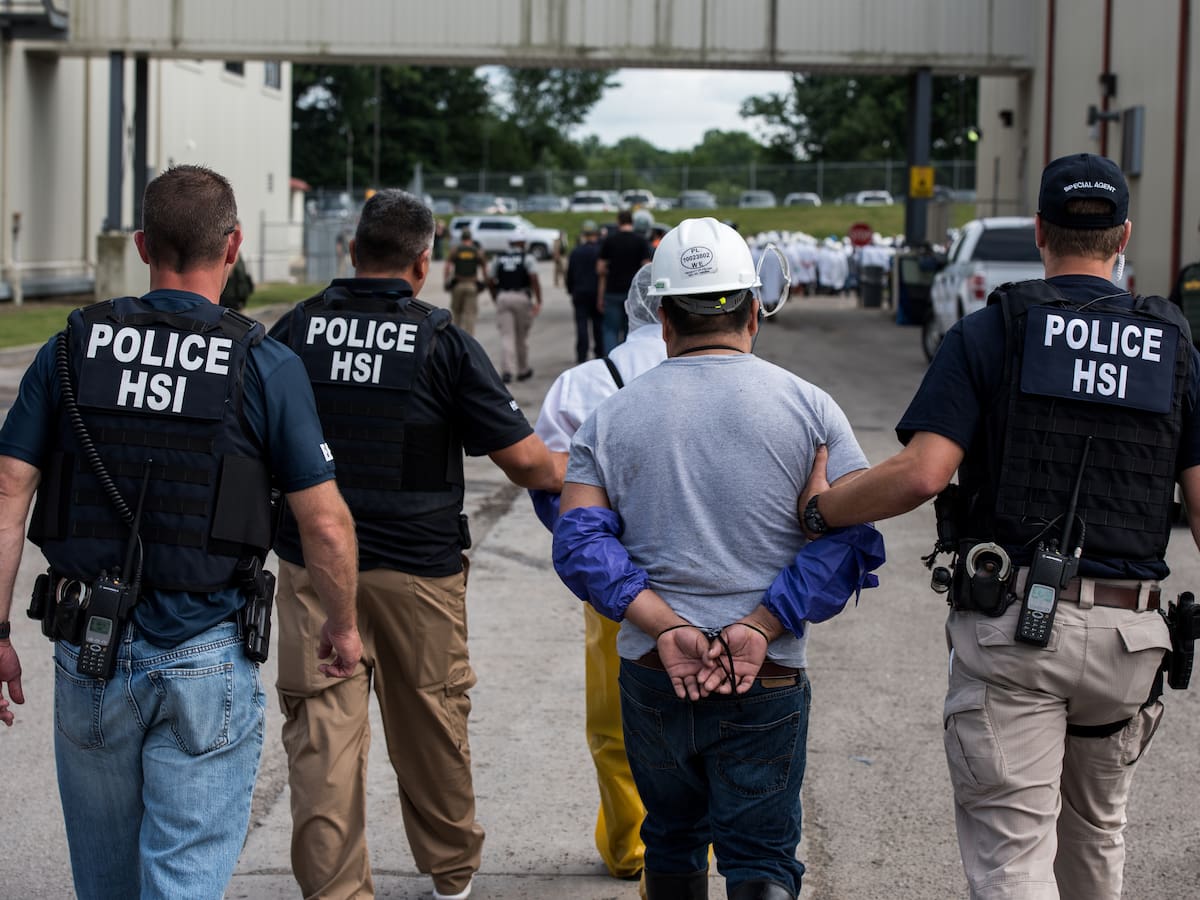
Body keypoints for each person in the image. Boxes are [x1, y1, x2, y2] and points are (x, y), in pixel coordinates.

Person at [802, 153, 1200, 900]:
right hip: (1131, 640)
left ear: (1040, 231)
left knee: (1015, 855)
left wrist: (822, 508)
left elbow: (922, 474)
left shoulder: (993, 332)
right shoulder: (1174, 347)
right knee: (1097, 836)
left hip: (1019, 630)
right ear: (1124, 238)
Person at [0, 164, 361, 900]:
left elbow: (9, 491)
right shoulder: (265, 361)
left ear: (142, 245)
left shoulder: (71, 349)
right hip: (204, 651)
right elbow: (323, 522)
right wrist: (344, 624)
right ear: (232, 248)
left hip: (90, 647)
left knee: (105, 885)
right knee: (183, 881)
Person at [553, 217, 880, 900]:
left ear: (662, 317)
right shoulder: (812, 409)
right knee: (761, 857)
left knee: (669, 840)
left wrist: (665, 625)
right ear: (754, 312)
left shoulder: (609, 419)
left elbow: (579, 542)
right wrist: (762, 622)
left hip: (652, 672)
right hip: (766, 675)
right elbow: (851, 538)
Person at [269, 188, 565, 900]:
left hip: (314, 570)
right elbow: (526, 464)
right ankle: (451, 872)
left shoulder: (293, 332)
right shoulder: (441, 341)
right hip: (418, 569)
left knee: (322, 740)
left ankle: (336, 892)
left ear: (351, 250)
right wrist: (581, 469)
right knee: (431, 723)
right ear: (424, 262)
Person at [531, 263, 665, 881]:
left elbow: (548, 487)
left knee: (616, 726)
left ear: (629, 305)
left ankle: (631, 846)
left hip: (616, 585)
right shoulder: (747, 380)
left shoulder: (584, 383)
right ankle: (702, 843)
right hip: (723, 582)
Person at [488, 228, 542, 383]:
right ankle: (523, 369)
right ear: (522, 243)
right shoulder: (527, 258)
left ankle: (507, 371)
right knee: (521, 337)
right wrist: (538, 300)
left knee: (506, 336)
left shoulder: (498, 258)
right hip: (521, 297)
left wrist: (495, 296)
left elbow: (490, 280)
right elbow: (533, 278)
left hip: (503, 296)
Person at [597, 209, 652, 353]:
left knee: (610, 329)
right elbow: (647, 269)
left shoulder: (609, 241)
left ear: (618, 222)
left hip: (612, 290)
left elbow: (600, 269)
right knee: (630, 329)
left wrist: (600, 296)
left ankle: (611, 362)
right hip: (633, 293)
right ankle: (626, 359)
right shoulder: (641, 241)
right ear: (632, 222)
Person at [566, 220, 604, 363]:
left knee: (581, 325)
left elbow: (570, 274)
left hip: (580, 292)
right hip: (596, 292)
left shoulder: (576, 252)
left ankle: (582, 355)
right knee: (598, 325)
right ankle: (599, 353)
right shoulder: (600, 250)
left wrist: (571, 289)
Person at [443, 228, 487, 335]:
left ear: (462, 238)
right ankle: (468, 340)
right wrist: (485, 281)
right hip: (472, 286)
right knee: (470, 315)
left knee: (457, 313)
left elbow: (447, 266)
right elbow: (484, 267)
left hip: (457, 285)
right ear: (470, 238)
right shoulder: (476, 250)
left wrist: (446, 281)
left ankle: (456, 338)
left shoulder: (456, 250)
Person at [219, 219, 255, 310]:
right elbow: (226, 273)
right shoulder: (227, 253)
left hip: (238, 301)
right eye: (235, 231)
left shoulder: (239, 253)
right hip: (226, 301)